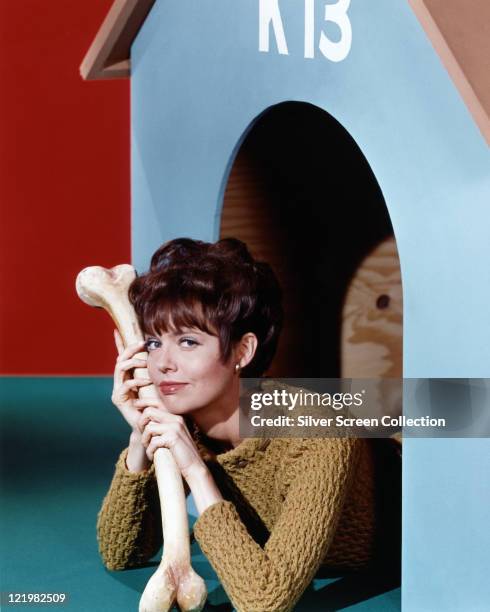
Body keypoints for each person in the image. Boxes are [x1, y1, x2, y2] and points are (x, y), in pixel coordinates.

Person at [96, 237, 400, 612]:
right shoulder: (182, 420)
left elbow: (265, 601)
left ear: (243, 351)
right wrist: (141, 435)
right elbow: (120, 552)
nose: (163, 364)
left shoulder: (317, 433)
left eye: (188, 341)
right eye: (154, 342)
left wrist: (194, 469)